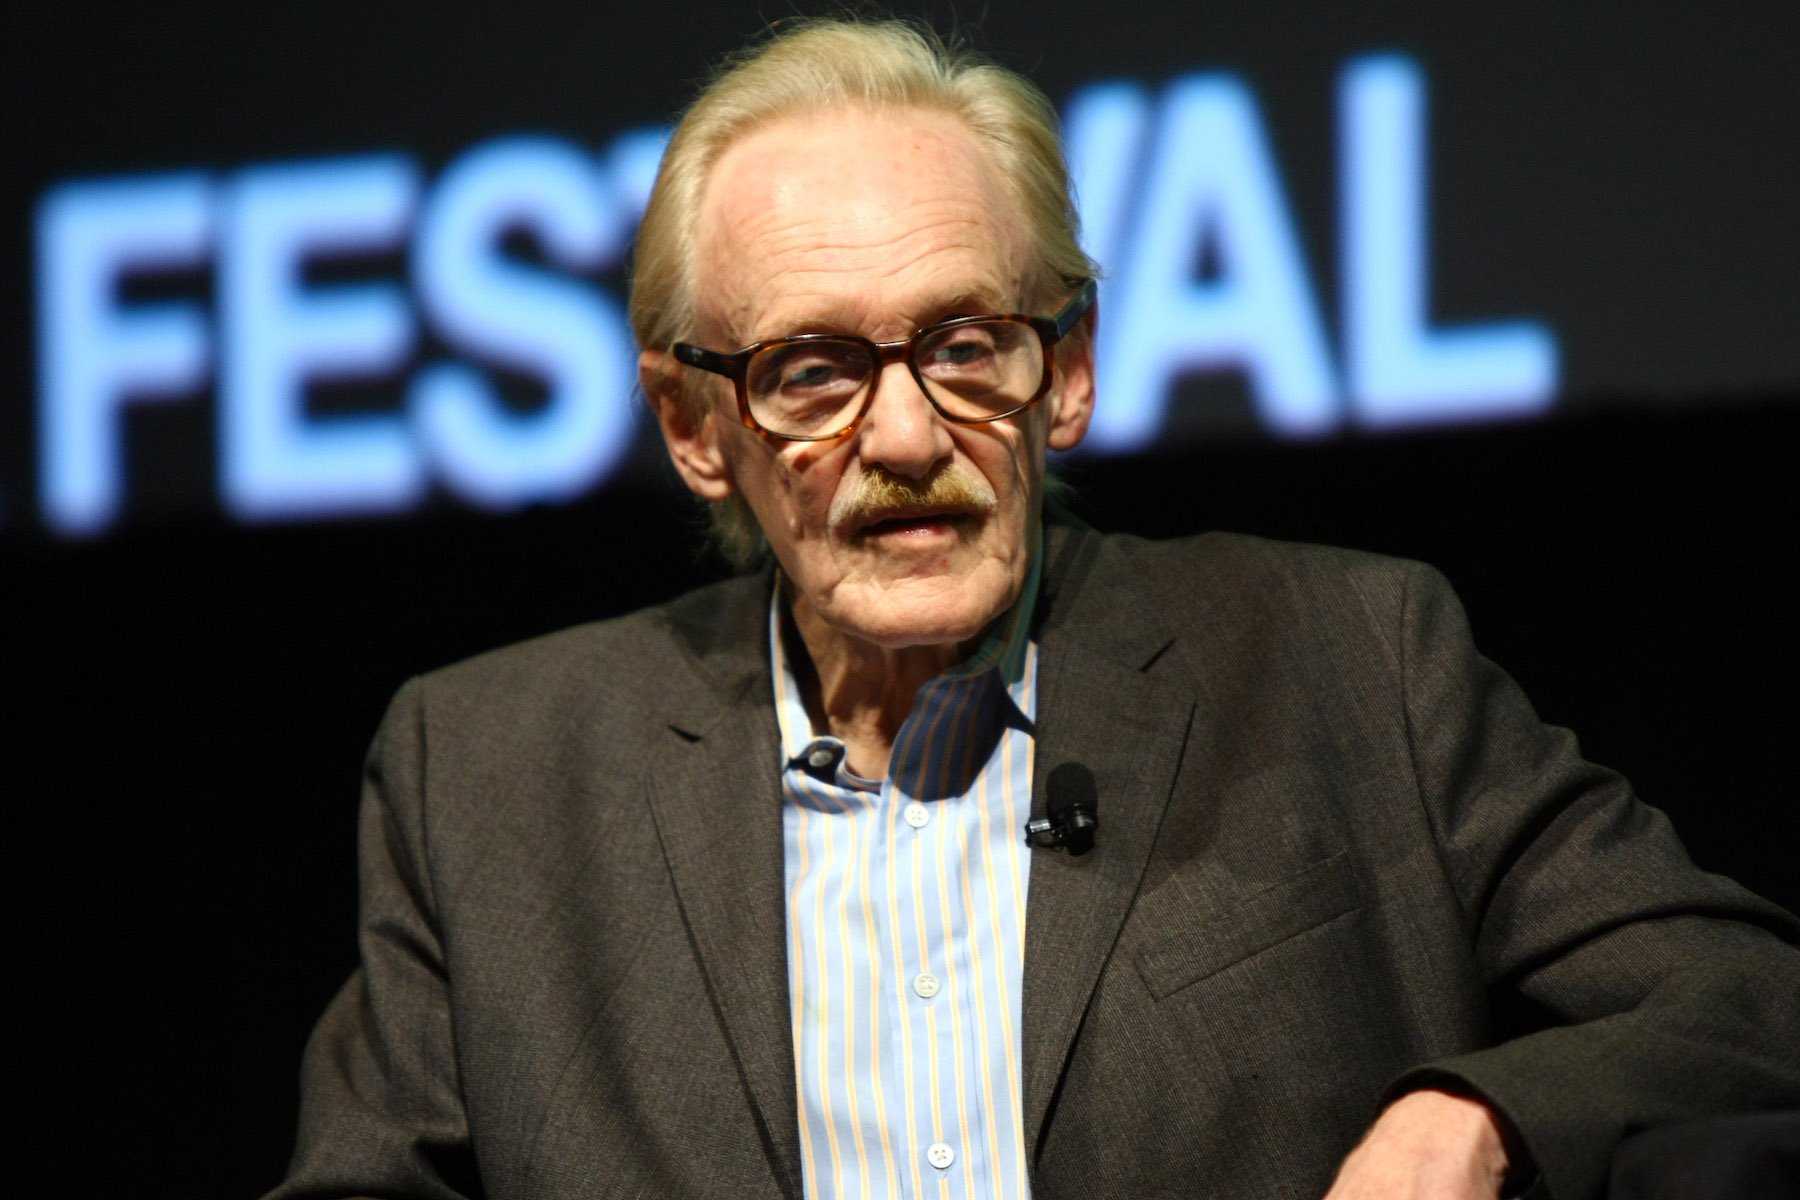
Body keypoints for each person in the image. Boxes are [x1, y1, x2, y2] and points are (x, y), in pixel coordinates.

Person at [266, 18, 1800, 1200]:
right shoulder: (489, 773)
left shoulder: (1349, 660)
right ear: (693, 428)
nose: (910, 435)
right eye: (813, 370)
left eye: (965, 341)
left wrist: (1481, 1115)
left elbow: (1751, 1002)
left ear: (1063, 372)